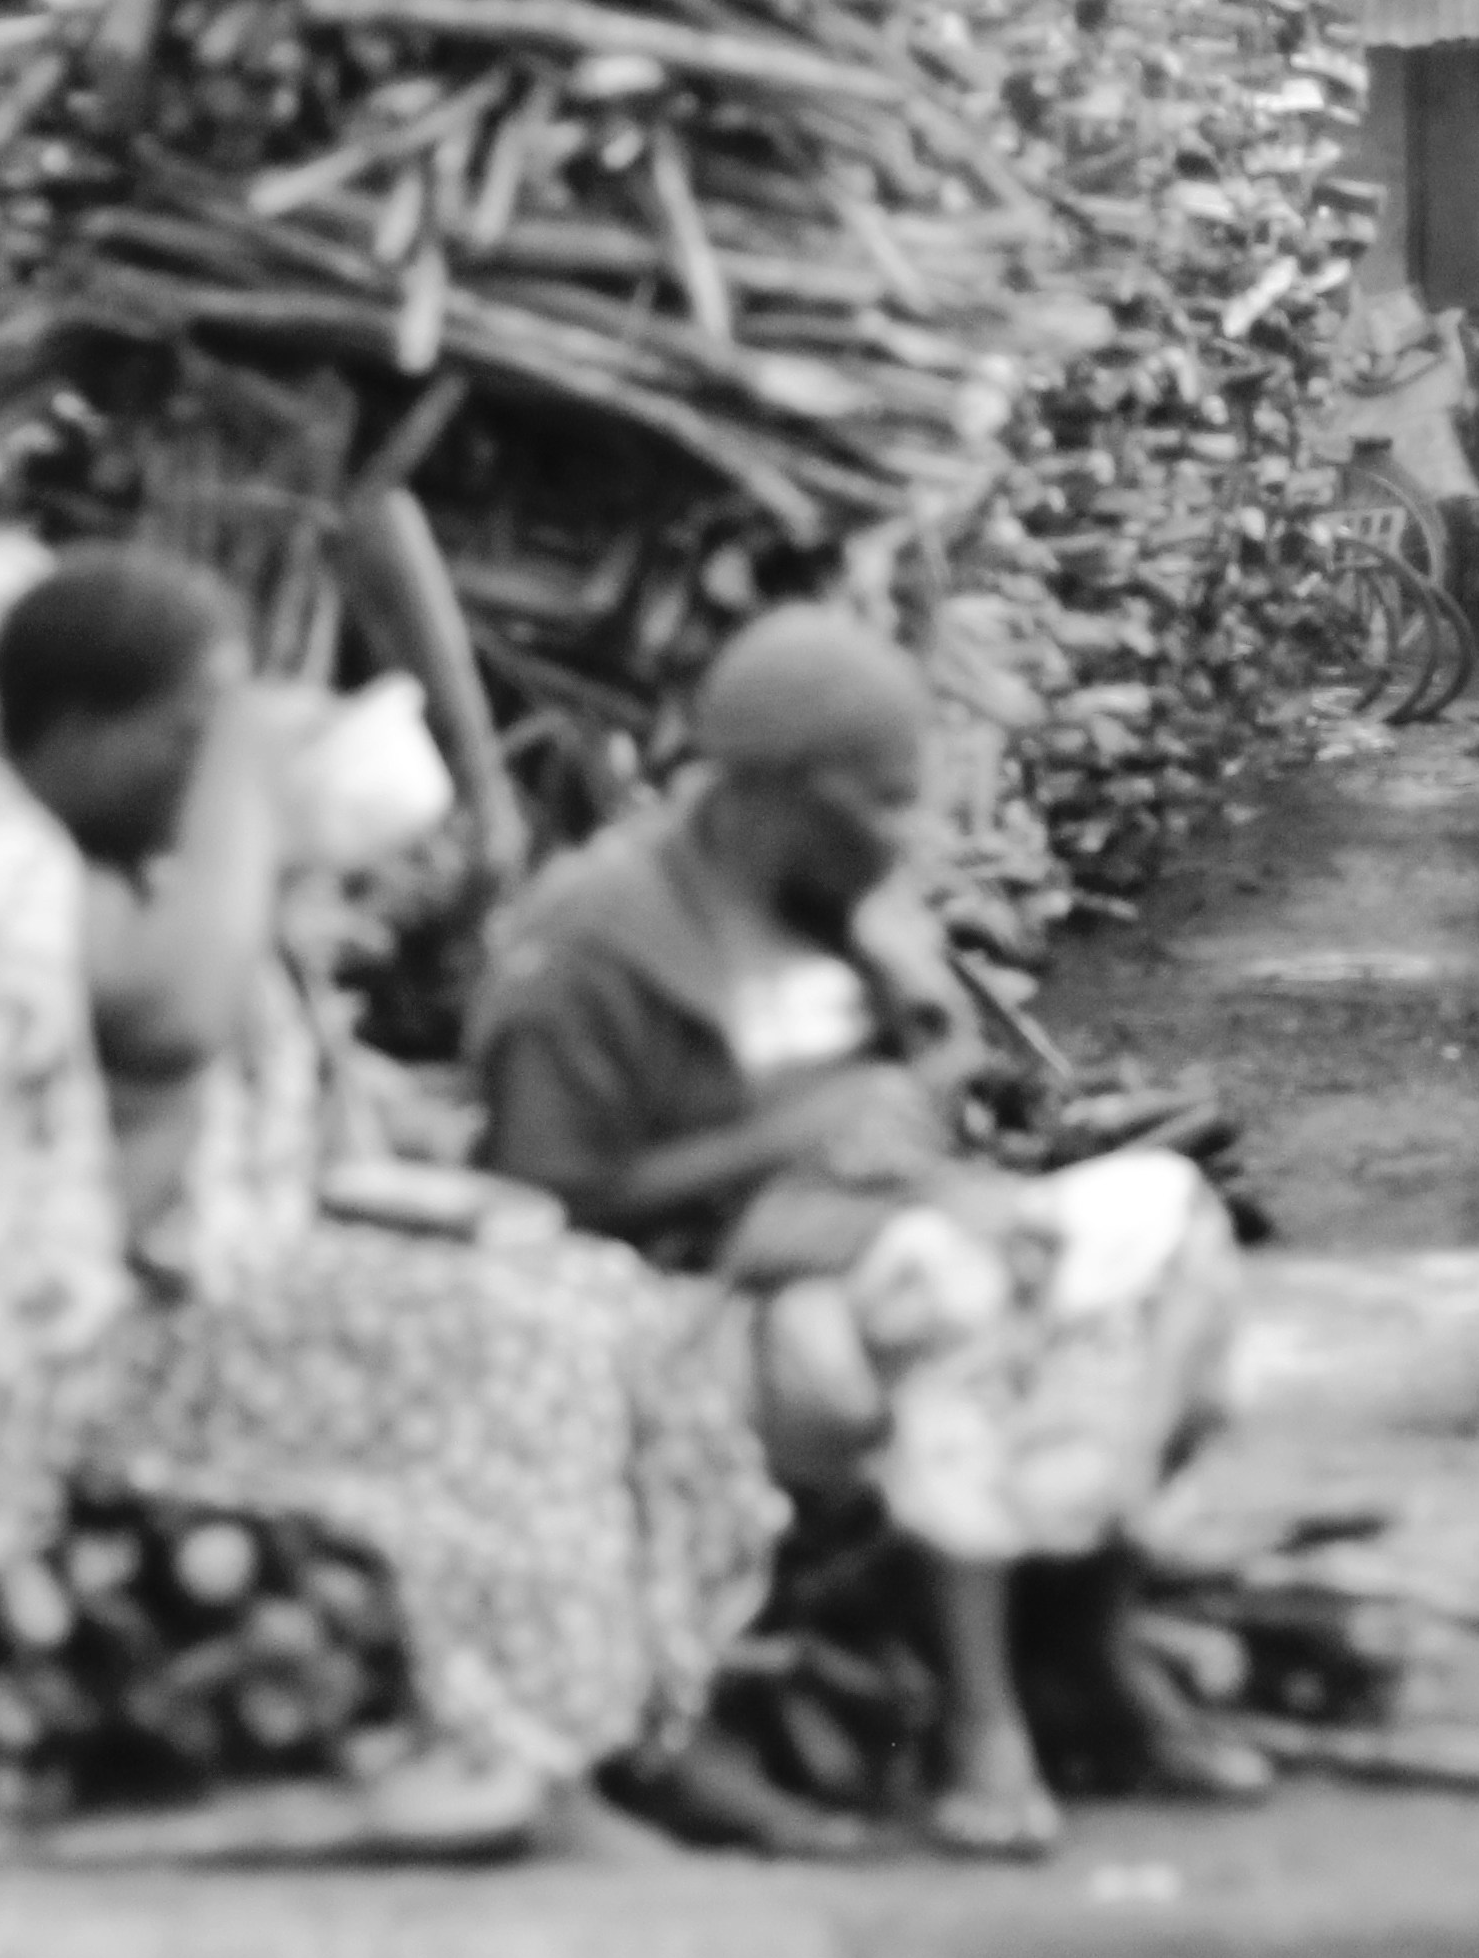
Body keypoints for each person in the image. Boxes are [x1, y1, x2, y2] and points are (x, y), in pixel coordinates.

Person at [0, 547, 786, 1842]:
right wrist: (244, 778)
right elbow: (176, 1020)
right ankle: (531, 1759)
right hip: (16, 1389)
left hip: (136, 1320)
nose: (204, 766)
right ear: (76, 731)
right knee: (526, 1352)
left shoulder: (78, 858)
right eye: (186, 730)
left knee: (613, 1309)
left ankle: (646, 1724)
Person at [470, 605, 1255, 1861]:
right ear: (783, 793)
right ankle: (984, 1720)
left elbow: (924, 1091)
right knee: (945, 1289)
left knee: (1164, 1227)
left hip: (879, 1234)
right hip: (695, 1298)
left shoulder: (842, 904)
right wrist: (786, 1144)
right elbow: (540, 1197)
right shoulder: (597, 938)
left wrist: (945, 1147)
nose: (905, 832)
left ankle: (1089, 1641)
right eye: (884, 803)